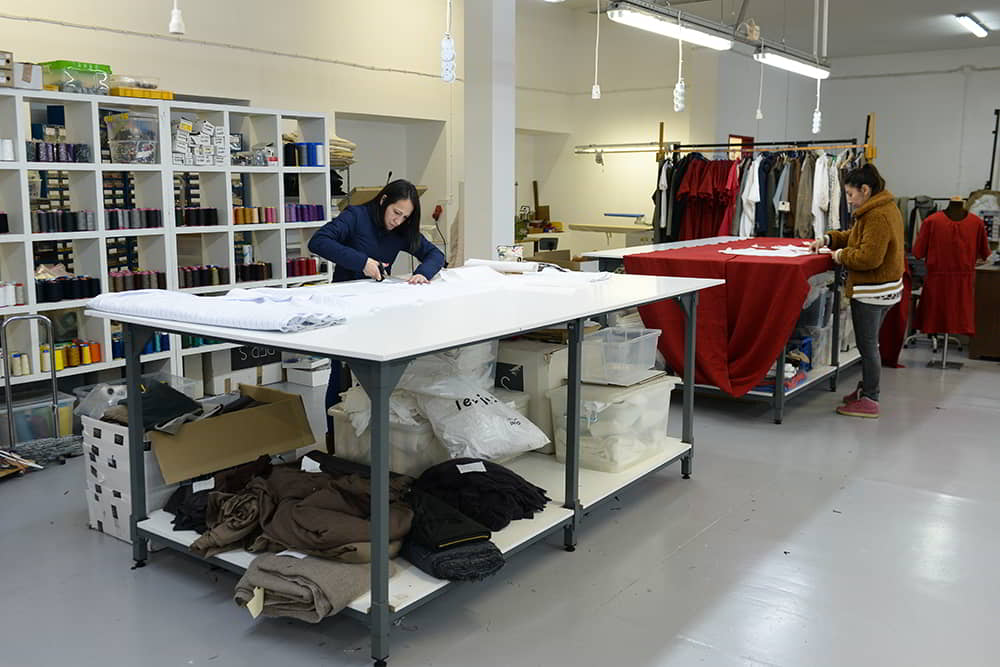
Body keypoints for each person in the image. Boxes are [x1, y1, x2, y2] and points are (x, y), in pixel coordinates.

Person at [308, 179, 446, 444]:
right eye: (396, 212)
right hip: (346, 310)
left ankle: (370, 444)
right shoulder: (356, 216)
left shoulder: (401, 230)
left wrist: (422, 274)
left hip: (378, 311)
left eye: (405, 217)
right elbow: (318, 241)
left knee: (377, 378)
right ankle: (336, 440)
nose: (398, 220)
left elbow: (435, 255)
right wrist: (362, 262)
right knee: (341, 374)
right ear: (383, 201)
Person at [809, 163, 903, 419]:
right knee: (871, 344)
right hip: (885, 289)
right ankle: (867, 391)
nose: (849, 200)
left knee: (868, 346)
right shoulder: (883, 207)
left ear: (865, 190)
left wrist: (839, 255)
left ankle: (871, 398)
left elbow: (868, 257)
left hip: (872, 292)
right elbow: (858, 237)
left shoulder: (876, 215)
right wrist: (829, 239)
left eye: (851, 194)